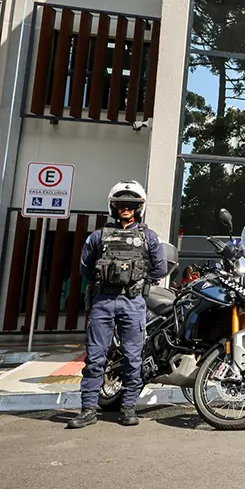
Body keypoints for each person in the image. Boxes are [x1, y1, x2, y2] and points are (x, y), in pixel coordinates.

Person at [68, 180, 167, 429]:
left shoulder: (148, 237)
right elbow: (85, 268)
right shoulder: (98, 237)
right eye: (122, 205)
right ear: (114, 207)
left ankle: (128, 407)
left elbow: (161, 268)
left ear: (137, 209)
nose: (126, 209)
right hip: (103, 301)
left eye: (131, 205)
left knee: (133, 357)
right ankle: (88, 409)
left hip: (133, 302)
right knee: (95, 357)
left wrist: (138, 283)